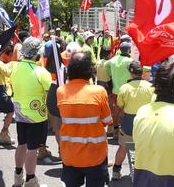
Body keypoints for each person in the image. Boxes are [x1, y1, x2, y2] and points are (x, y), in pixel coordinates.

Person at [57, 51, 113, 187]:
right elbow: (107, 120)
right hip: (95, 156)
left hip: (69, 154)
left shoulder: (61, 91)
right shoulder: (99, 91)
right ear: (90, 70)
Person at [10, 37, 53, 187]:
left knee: (21, 144)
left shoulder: (13, 67)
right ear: (38, 54)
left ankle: (17, 175)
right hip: (37, 117)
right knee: (32, 149)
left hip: (20, 114)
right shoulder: (41, 72)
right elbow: (51, 94)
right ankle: (30, 179)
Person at [111, 61, 153, 180]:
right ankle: (144, 173)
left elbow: (120, 106)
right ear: (142, 73)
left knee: (123, 147)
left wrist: (116, 123)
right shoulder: (150, 87)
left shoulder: (125, 88)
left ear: (130, 73)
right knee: (145, 148)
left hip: (128, 121)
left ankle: (116, 172)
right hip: (146, 122)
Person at [105, 41, 134, 136]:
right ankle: (123, 132)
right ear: (129, 50)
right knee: (125, 112)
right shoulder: (130, 61)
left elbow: (106, 65)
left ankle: (115, 131)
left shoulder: (113, 59)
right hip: (127, 91)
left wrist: (110, 75)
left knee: (116, 111)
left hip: (116, 90)